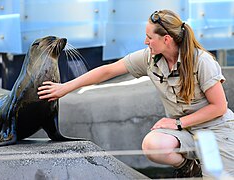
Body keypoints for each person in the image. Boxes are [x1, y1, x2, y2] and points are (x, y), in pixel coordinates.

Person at [37, 9, 234, 178]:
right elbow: (107, 71)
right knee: (153, 144)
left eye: (149, 37)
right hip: (185, 132)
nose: (145, 41)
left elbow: (219, 107)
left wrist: (177, 123)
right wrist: (64, 88)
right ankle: (189, 167)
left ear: (166, 39)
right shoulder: (150, 58)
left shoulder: (202, 61)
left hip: (213, 131)